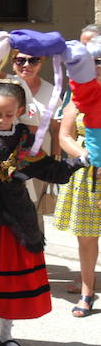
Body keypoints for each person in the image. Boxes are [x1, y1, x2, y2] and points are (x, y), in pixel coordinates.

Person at [0, 81, 83, 346]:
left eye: (8, 114)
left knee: (10, 277)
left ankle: (6, 334)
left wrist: (79, 161)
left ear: (20, 111)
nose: (3, 119)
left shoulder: (27, 140)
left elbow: (50, 170)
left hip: (17, 215)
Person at [53, 37, 101, 317]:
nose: (95, 67)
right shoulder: (78, 98)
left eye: (99, 62)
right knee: (86, 237)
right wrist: (87, 155)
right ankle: (87, 290)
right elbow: (65, 136)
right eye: (91, 61)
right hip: (87, 174)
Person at [10, 50, 62, 235]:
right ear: (12, 62)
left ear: (42, 63)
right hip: (5, 157)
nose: (27, 65)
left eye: (33, 61)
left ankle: (35, 257)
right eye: (21, 60)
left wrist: (55, 160)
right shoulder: (3, 85)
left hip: (39, 158)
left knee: (34, 208)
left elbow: (56, 129)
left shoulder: (51, 91)